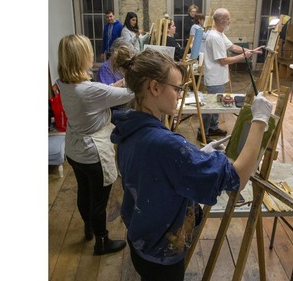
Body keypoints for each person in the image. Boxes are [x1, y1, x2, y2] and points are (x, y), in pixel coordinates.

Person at [110, 47, 273, 280]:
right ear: (154, 88)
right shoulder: (166, 144)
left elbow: (157, 173)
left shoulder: (129, 128)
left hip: (141, 241)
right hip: (162, 255)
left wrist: (197, 155)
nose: (179, 95)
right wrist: (259, 120)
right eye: (177, 89)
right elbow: (237, 178)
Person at [57, 34, 134, 255]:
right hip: (93, 153)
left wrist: (116, 85)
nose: (92, 55)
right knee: (99, 200)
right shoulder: (90, 90)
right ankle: (102, 241)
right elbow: (128, 93)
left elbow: (106, 93)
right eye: (89, 52)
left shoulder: (63, 83)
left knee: (84, 192)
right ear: (82, 57)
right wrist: (129, 79)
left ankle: (89, 228)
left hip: (74, 149)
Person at [200, 8, 264, 143]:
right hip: (214, 78)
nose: (230, 21)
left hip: (219, 77)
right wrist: (243, 56)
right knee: (211, 106)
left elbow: (233, 47)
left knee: (217, 104)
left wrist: (250, 51)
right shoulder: (215, 37)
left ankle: (213, 127)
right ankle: (203, 132)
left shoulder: (220, 34)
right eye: (228, 18)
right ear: (222, 20)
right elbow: (222, 60)